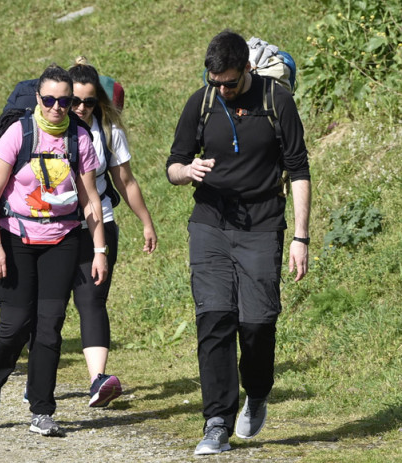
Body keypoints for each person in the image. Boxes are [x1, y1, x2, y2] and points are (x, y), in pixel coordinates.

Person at [166, 30, 311, 455]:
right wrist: (187, 171)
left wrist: (300, 237)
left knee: (258, 324)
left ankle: (259, 391)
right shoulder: (202, 101)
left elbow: (299, 170)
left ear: (247, 68)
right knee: (214, 319)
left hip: (263, 225)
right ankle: (216, 422)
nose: (223, 90)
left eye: (230, 82)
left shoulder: (276, 102)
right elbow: (173, 164)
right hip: (210, 223)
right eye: (217, 83)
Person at [0, 64, 108, 436]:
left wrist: (99, 249)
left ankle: (42, 410)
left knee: (50, 326)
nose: (56, 107)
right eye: (49, 99)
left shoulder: (78, 138)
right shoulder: (19, 134)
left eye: (64, 101)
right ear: (38, 97)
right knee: (16, 323)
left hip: (62, 238)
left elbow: (90, 198)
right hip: (15, 237)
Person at [67, 59, 158, 407]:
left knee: (92, 300)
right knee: (51, 305)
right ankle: (38, 381)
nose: (81, 108)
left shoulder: (107, 131)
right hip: (56, 227)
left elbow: (126, 181)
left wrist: (146, 221)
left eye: (89, 102)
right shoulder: (49, 129)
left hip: (100, 223)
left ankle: (97, 381)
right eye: (74, 100)